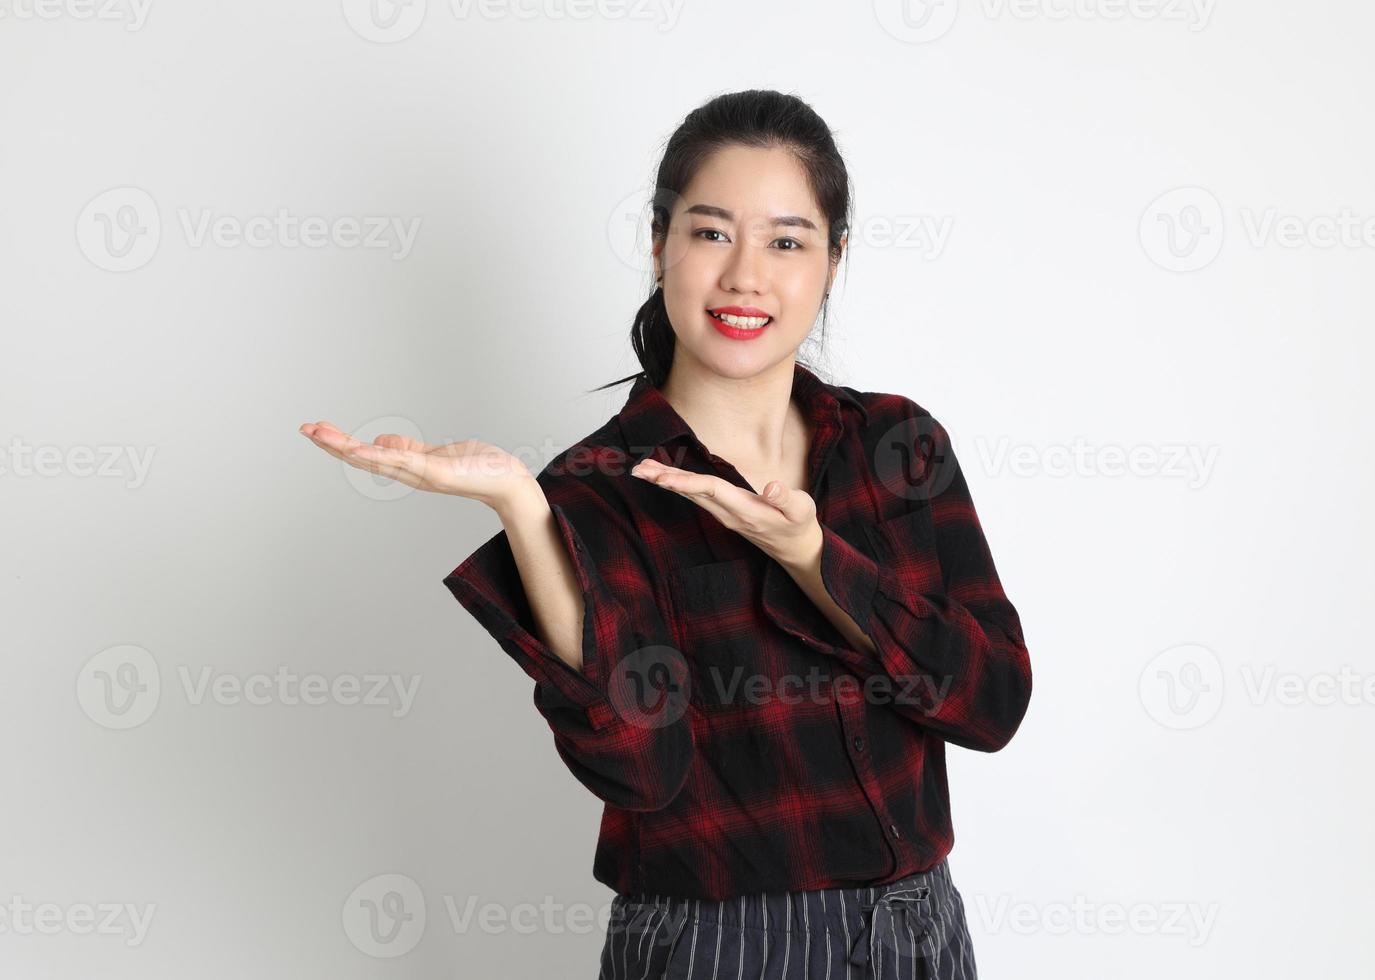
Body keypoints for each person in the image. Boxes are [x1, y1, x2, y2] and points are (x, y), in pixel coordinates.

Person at [301, 89, 1031, 980]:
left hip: (922, 933)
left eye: (788, 241)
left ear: (835, 260)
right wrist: (525, 512)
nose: (745, 276)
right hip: (722, 947)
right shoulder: (596, 492)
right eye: (712, 232)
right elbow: (643, 769)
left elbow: (991, 703)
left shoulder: (897, 445)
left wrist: (816, 562)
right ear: (660, 244)